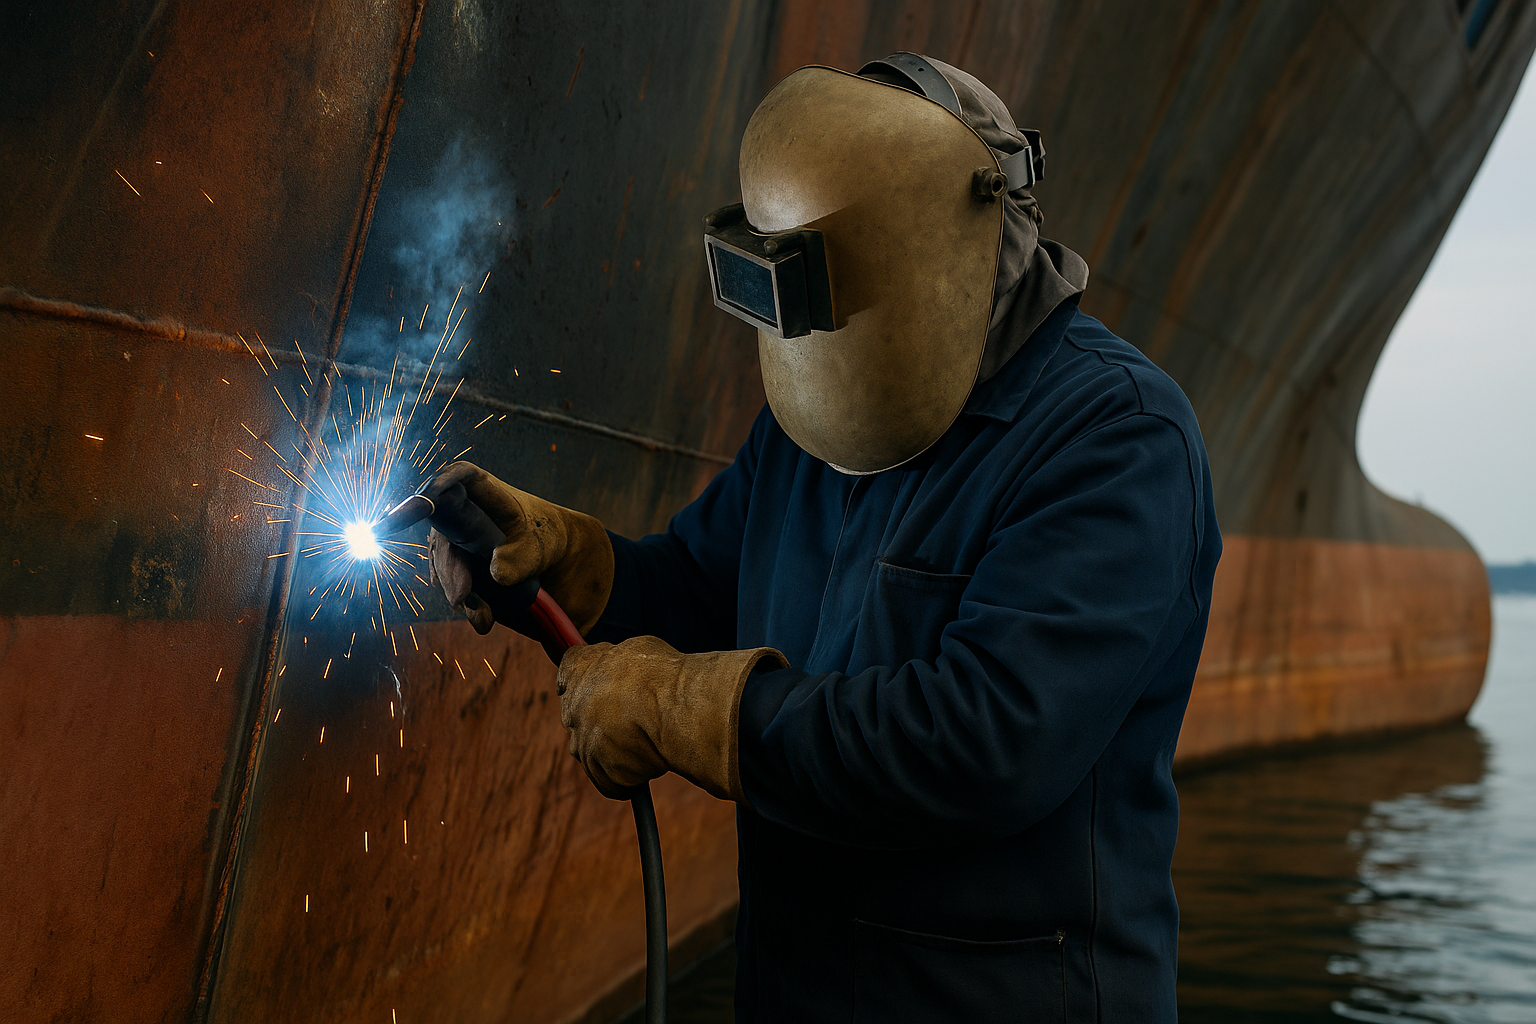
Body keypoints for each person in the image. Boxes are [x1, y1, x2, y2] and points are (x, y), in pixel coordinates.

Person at [430, 53, 1220, 1024]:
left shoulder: (1115, 436)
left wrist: (688, 708)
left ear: (929, 243)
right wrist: (570, 565)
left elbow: (985, 740)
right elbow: (698, 589)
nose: (816, 324)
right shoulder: (820, 416)